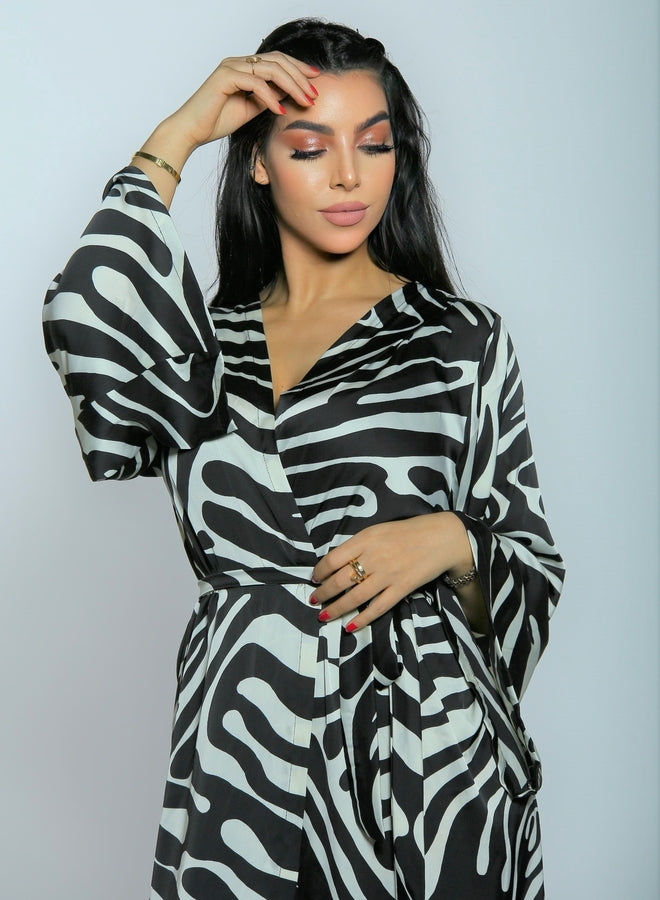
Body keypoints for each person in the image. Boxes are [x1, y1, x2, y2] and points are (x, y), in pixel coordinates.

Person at [42, 18, 564, 900]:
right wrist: (183, 129)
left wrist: (452, 540)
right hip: (241, 752)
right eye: (311, 148)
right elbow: (86, 321)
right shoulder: (202, 350)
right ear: (258, 161)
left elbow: (533, 575)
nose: (349, 176)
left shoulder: (460, 342)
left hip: (425, 763)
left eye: (374, 144)